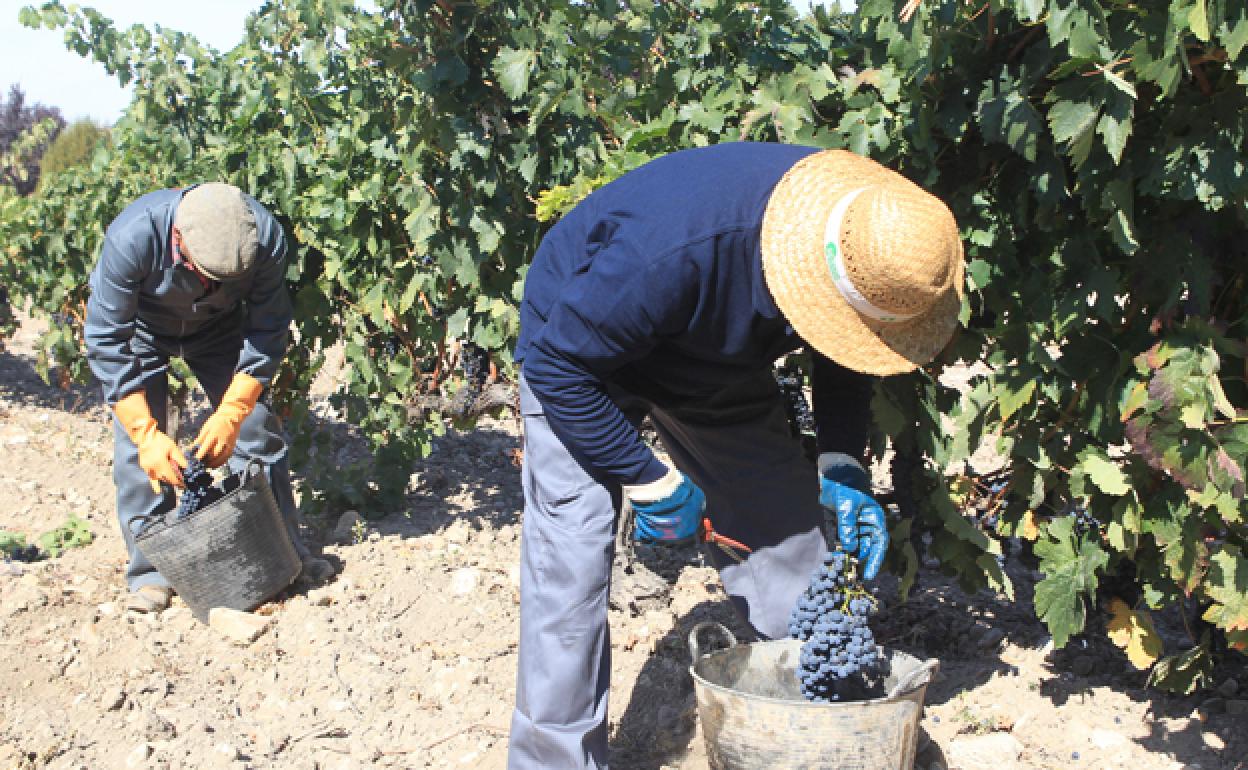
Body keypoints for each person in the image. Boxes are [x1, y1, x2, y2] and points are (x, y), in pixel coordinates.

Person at [508, 143, 965, 768]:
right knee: (571, 568)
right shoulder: (669, 251)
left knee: (797, 555)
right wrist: (646, 479)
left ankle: (834, 731)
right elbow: (558, 366)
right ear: (804, 265)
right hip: (576, 355)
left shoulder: (868, 239)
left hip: (705, 365)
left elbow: (847, 348)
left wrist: (842, 466)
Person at [84, 182, 332, 613]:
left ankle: (286, 555)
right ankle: (149, 573)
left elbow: (269, 329)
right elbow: (107, 339)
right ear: (178, 240)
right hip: (144, 331)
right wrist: (146, 434)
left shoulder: (266, 238)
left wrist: (234, 411)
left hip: (219, 331)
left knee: (256, 428)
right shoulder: (132, 237)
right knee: (136, 452)